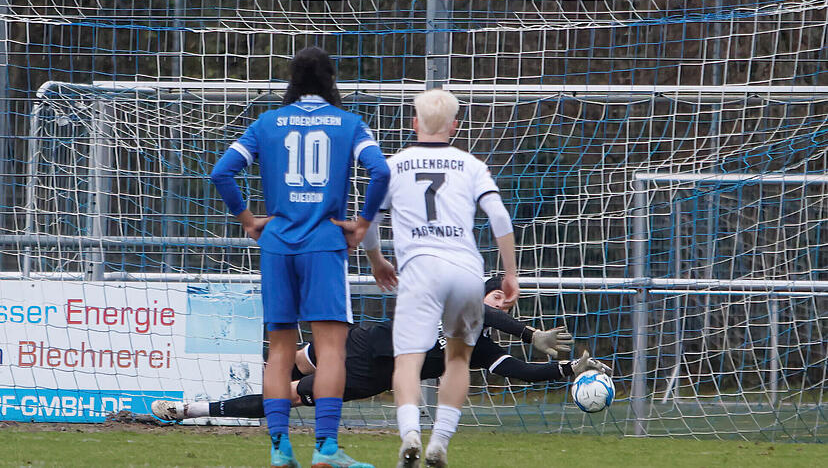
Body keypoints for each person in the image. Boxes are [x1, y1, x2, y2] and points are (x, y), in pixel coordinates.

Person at [210, 46, 390, 468]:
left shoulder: (266, 123)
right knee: (330, 351)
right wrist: (362, 224)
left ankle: (279, 449)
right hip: (324, 246)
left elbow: (221, 172)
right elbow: (380, 171)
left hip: (276, 245)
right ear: (331, 81)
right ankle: (326, 449)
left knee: (279, 351)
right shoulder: (349, 124)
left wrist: (248, 219)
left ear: (292, 81)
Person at [337, 89, 519, 468]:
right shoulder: (471, 164)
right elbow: (500, 218)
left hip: (421, 272)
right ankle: (440, 441)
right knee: (458, 358)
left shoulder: (393, 166)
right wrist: (510, 273)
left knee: (408, 359)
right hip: (466, 271)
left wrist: (376, 260)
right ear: (454, 125)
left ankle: (410, 434)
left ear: (415, 122)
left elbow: (368, 222)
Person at [151, 277, 612, 421]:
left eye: (505, 301)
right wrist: (529, 331)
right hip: (363, 338)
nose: (498, 304)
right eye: (497, 296)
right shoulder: (461, 303)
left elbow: (515, 370)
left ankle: (191, 409)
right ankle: (227, 368)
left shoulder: (478, 347)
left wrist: (567, 370)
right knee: (289, 355)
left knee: (288, 396)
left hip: (367, 376)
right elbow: (483, 311)